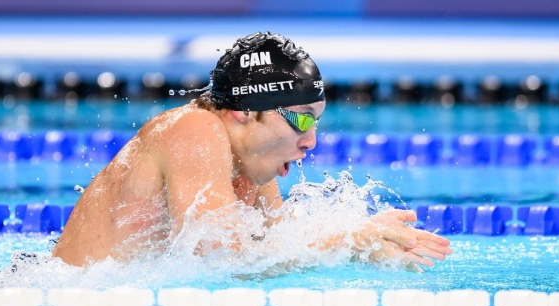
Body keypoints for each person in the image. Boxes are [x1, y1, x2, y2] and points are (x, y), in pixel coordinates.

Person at [52, 32, 452, 268]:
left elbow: (278, 255)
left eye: (317, 121)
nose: (311, 140)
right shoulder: (192, 129)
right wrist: (345, 237)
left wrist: (366, 249)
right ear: (245, 111)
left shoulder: (247, 167)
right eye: (301, 117)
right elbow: (220, 257)